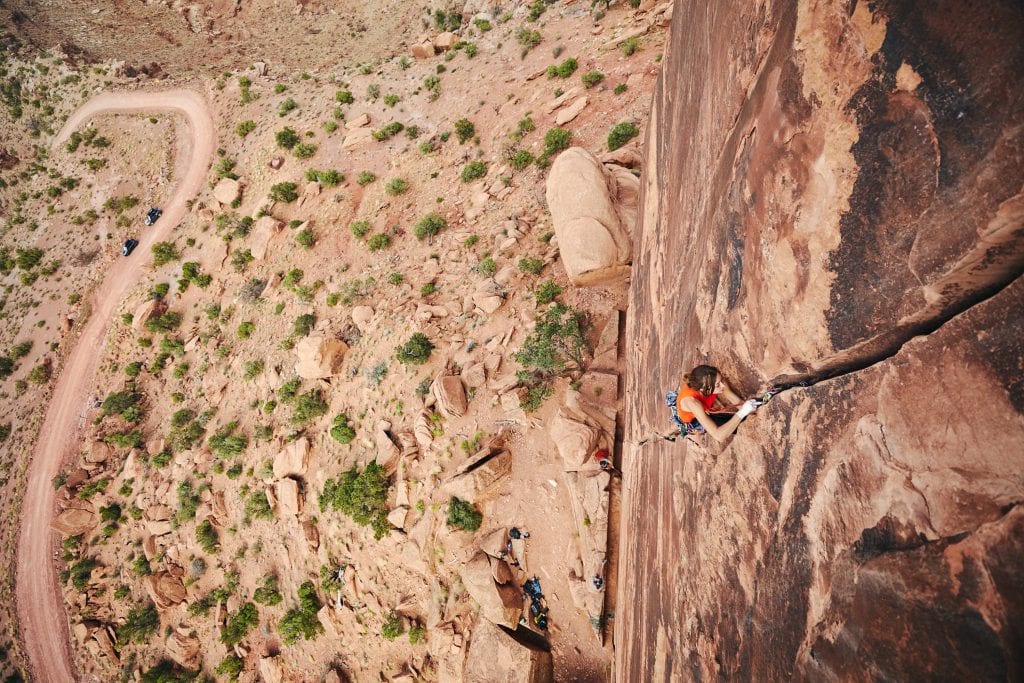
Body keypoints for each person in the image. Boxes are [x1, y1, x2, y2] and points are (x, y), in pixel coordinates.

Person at [674, 364, 758, 442]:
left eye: (721, 380)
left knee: (740, 419)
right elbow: (718, 436)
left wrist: (750, 408)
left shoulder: (713, 381)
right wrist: (743, 412)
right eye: (718, 385)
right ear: (704, 389)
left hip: (703, 407)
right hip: (691, 418)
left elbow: (736, 401)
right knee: (732, 424)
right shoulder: (693, 403)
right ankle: (694, 432)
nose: (723, 386)